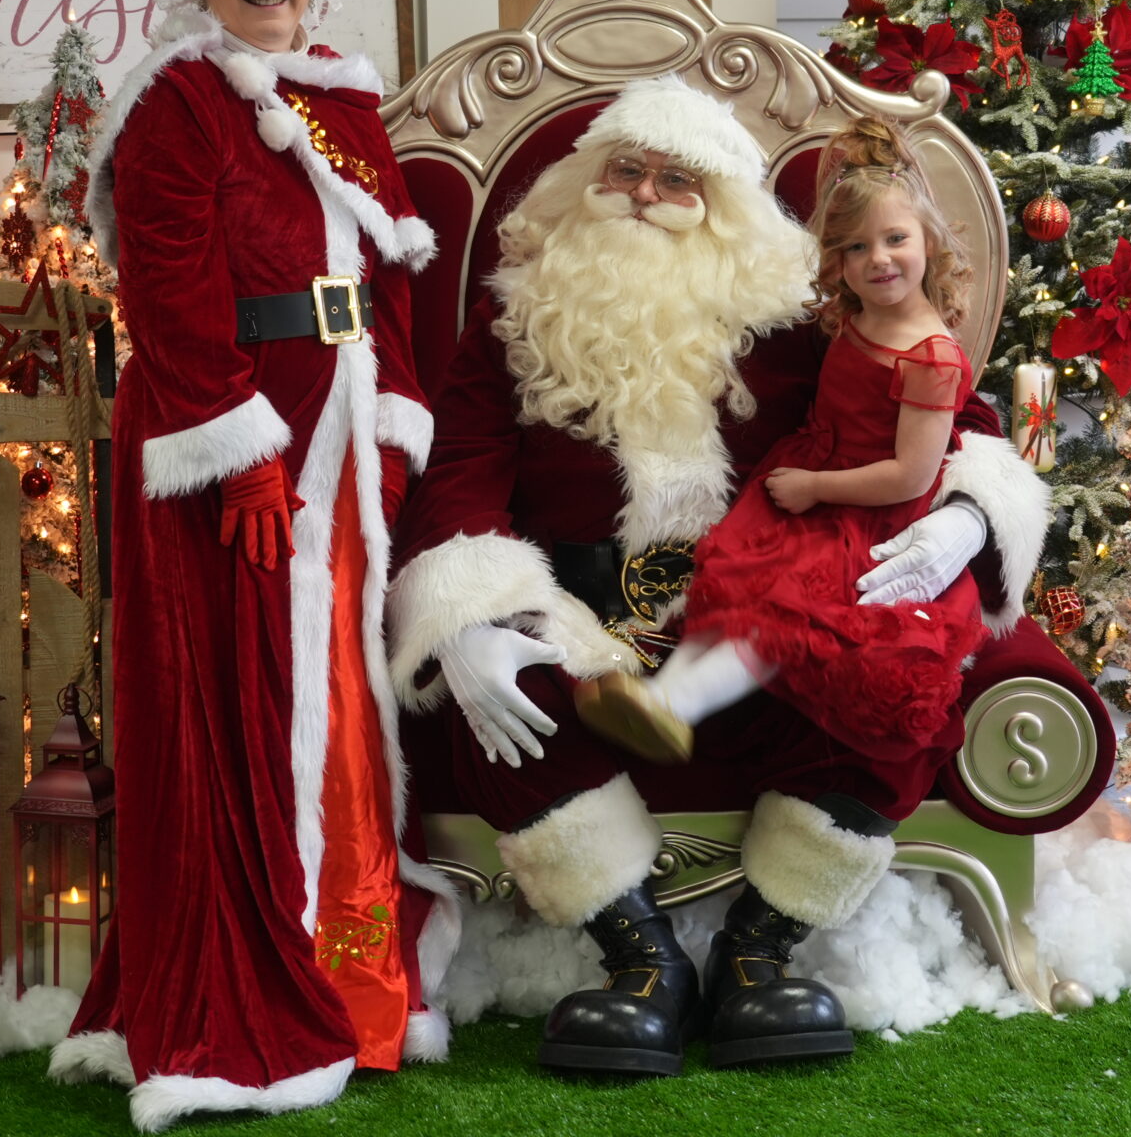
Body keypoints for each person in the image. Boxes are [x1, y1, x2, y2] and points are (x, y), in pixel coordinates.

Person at [390, 77, 1048, 1077]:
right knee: (505, 710)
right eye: (626, 170)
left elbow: (957, 420)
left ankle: (757, 950)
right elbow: (460, 469)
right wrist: (469, 612)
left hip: (762, 604)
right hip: (581, 616)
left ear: (725, 206)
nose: (644, 194)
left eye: (677, 180)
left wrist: (967, 516)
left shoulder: (796, 313)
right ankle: (642, 959)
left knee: (889, 691)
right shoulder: (517, 313)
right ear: (584, 179)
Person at [50, 0, 455, 1127]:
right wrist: (243, 451)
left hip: (342, 447)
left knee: (336, 701)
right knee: (243, 699)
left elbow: (391, 269)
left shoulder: (342, 96)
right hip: (230, 446)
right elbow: (166, 292)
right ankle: (253, 989)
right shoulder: (173, 102)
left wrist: (389, 426)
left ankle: (354, 975)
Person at [577, 119, 983, 767]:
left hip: (861, 510)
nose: (878, 259)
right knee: (736, 588)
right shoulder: (859, 313)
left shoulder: (931, 356)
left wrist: (817, 486)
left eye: (896, 239)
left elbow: (910, 474)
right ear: (837, 260)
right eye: (856, 247)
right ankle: (660, 694)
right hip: (813, 472)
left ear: (929, 240)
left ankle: (680, 702)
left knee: (780, 612)